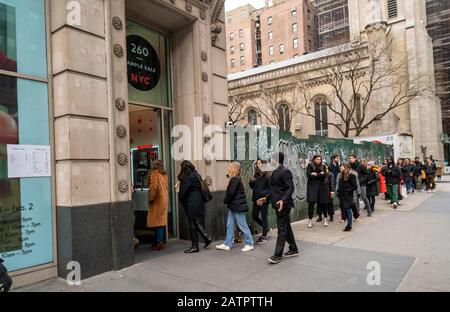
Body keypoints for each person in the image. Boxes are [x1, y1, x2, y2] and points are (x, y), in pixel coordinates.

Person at [257, 152, 298, 265]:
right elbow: (274, 189)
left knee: (282, 229)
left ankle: (277, 255)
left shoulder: (285, 172)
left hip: (283, 205)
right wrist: (265, 198)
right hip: (277, 204)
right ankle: (293, 248)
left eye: (272, 159)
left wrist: (283, 200)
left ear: (277, 160)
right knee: (286, 226)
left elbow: (290, 188)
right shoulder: (275, 172)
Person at [216, 162, 254, 252]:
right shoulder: (234, 178)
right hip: (234, 206)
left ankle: (249, 244)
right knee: (229, 225)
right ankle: (227, 244)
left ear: (234, 168)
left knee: (242, 225)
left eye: (229, 166)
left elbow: (231, 193)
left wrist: (225, 200)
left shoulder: (235, 179)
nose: (228, 167)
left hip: (238, 206)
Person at [178, 160, 212, 253]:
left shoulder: (187, 178)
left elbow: (182, 194)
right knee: (195, 222)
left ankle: (195, 246)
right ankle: (206, 238)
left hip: (191, 203)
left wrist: (182, 201)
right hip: (199, 201)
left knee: (192, 224)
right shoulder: (197, 175)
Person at [148, 160, 169, 251]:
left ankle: (159, 242)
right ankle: (158, 241)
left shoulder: (154, 174)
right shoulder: (164, 175)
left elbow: (153, 187)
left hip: (157, 201)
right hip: (164, 200)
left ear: (154, 166)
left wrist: (150, 198)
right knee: (160, 222)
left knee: (158, 223)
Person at [249, 159, 272, 245]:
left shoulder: (268, 176)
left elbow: (271, 189)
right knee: (254, 216)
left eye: (259, 163)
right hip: (255, 199)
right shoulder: (256, 174)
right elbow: (252, 187)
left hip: (263, 200)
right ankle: (266, 228)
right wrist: (251, 182)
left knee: (264, 217)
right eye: (257, 163)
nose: (258, 165)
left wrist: (264, 196)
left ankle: (264, 235)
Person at [306, 155, 330, 228]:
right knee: (311, 204)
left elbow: (325, 175)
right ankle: (310, 221)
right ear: (314, 160)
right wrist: (320, 174)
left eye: (320, 159)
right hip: (312, 187)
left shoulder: (323, 166)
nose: (318, 161)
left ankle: (325, 219)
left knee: (323, 203)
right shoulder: (310, 165)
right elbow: (308, 175)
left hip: (322, 186)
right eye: (317, 159)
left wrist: (315, 174)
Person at [336, 164, 358, 232]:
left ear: (346, 167)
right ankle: (354, 217)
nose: (340, 167)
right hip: (342, 195)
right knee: (346, 209)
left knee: (348, 209)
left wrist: (347, 191)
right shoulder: (341, 175)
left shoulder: (352, 175)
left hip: (348, 195)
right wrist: (338, 192)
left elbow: (355, 186)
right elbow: (340, 185)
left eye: (342, 166)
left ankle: (349, 225)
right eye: (340, 166)